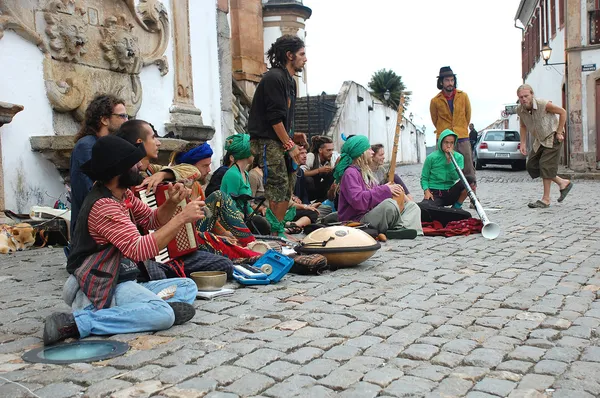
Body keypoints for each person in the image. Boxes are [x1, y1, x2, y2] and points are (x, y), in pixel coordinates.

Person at [44, 136, 201, 346]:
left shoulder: (122, 194)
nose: (139, 166)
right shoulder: (104, 206)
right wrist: (182, 218)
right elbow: (139, 250)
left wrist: (172, 203)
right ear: (119, 171)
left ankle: (141, 311)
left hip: (120, 278)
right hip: (99, 287)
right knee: (164, 315)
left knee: (187, 287)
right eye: (133, 163)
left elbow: (153, 220)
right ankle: (78, 322)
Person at [117, 123, 257, 261]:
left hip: (180, 230)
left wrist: (163, 174)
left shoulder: (152, 170)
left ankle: (252, 244)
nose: (158, 143)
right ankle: (251, 255)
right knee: (206, 240)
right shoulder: (127, 177)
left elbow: (192, 171)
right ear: (140, 142)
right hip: (167, 238)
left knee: (219, 198)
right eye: (154, 138)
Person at [248, 34, 306, 236]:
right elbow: (274, 119)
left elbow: (282, 117)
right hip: (267, 141)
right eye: (302, 54)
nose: (305, 59)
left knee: (288, 184)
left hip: (279, 140)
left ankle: (277, 229)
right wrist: (290, 146)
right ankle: (275, 232)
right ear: (289, 55)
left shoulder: (289, 81)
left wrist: (294, 136)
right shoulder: (274, 78)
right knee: (278, 185)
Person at [335, 135, 421, 239]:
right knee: (390, 205)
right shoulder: (350, 173)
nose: (372, 152)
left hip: (370, 214)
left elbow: (374, 195)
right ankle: (401, 227)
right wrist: (385, 190)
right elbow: (358, 200)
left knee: (413, 207)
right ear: (361, 153)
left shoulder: (365, 172)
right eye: (369, 149)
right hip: (357, 220)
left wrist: (392, 190)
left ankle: (400, 228)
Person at [70, 94, 128, 234]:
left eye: (127, 116)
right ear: (104, 120)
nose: (127, 121)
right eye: (122, 116)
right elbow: (96, 191)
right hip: (92, 235)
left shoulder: (107, 146)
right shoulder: (87, 146)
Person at [516, 84, 573, 208]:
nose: (524, 99)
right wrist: (523, 143)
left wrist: (559, 131)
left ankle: (545, 199)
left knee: (545, 166)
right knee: (531, 165)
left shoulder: (543, 104)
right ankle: (562, 182)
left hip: (552, 136)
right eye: (521, 97)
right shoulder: (520, 110)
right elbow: (523, 126)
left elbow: (562, 112)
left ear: (532, 95)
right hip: (539, 139)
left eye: (526, 96)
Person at [430, 67, 476, 195]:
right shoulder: (435, 101)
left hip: (462, 136)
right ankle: (442, 193)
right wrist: (445, 132)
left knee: (468, 167)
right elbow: (435, 119)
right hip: (444, 137)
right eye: (447, 80)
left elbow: (468, 116)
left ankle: (473, 195)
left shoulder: (463, 96)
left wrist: (460, 129)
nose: (450, 83)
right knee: (442, 166)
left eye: (452, 80)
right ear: (441, 82)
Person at [220, 134, 271, 235]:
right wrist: (248, 218)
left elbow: (246, 204)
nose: (255, 153)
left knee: (265, 223)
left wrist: (253, 215)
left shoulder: (246, 173)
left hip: (244, 216)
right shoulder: (233, 174)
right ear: (246, 152)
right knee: (261, 225)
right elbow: (230, 204)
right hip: (234, 220)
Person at [421, 129, 473, 209]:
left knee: (469, 180)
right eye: (446, 142)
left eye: (451, 143)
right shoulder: (431, 158)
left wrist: (450, 162)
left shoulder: (458, 157)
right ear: (441, 142)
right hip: (435, 192)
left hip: (450, 191)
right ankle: (438, 206)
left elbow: (456, 177)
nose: (449, 146)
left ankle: (457, 206)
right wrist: (426, 191)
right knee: (424, 207)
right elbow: (424, 178)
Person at [302, 136, 335, 202]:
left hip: (318, 188)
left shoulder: (329, 159)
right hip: (307, 190)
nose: (331, 153)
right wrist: (319, 170)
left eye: (332, 150)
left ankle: (322, 201)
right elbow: (301, 173)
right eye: (328, 150)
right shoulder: (311, 156)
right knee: (309, 180)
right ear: (320, 150)